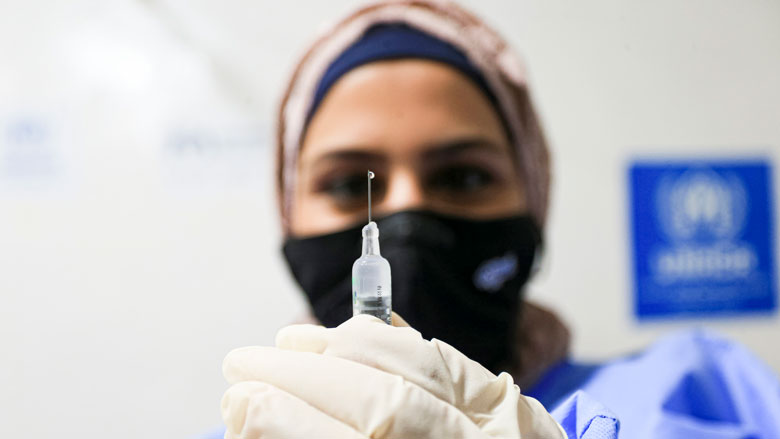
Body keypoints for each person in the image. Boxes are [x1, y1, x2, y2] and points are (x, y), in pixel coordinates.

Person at [213, 1, 780, 438]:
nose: (405, 216)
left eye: (463, 177)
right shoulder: (245, 425)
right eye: (346, 184)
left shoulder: (703, 392)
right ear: (287, 216)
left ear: (534, 200)